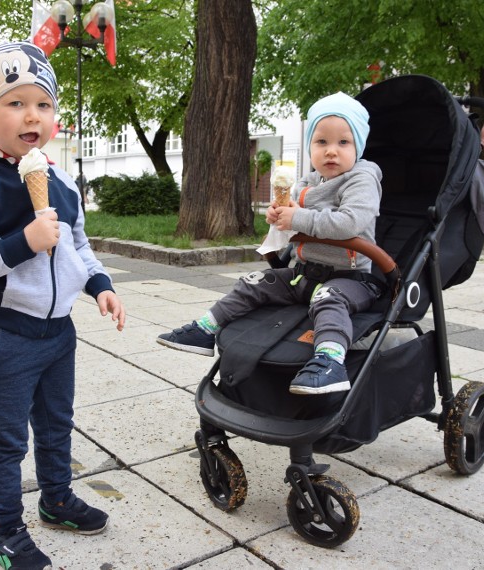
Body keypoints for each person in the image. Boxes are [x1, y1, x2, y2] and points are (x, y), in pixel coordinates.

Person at [0, 41, 125, 570]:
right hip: (7, 335)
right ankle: (3, 531)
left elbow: (79, 246)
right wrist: (23, 242)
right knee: (5, 441)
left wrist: (100, 284)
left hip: (58, 333)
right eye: (15, 104)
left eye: (43, 104)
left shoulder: (62, 180)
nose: (32, 115)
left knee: (56, 424)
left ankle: (56, 499)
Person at [157, 92, 382, 396]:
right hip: (306, 273)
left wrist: (298, 218)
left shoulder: (362, 179)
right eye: (321, 142)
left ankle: (330, 361)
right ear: (310, 147)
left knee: (329, 299)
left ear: (359, 146)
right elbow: (295, 220)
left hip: (351, 278)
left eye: (343, 142)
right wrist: (279, 218)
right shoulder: (307, 183)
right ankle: (206, 329)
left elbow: (349, 223)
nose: (331, 151)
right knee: (255, 281)